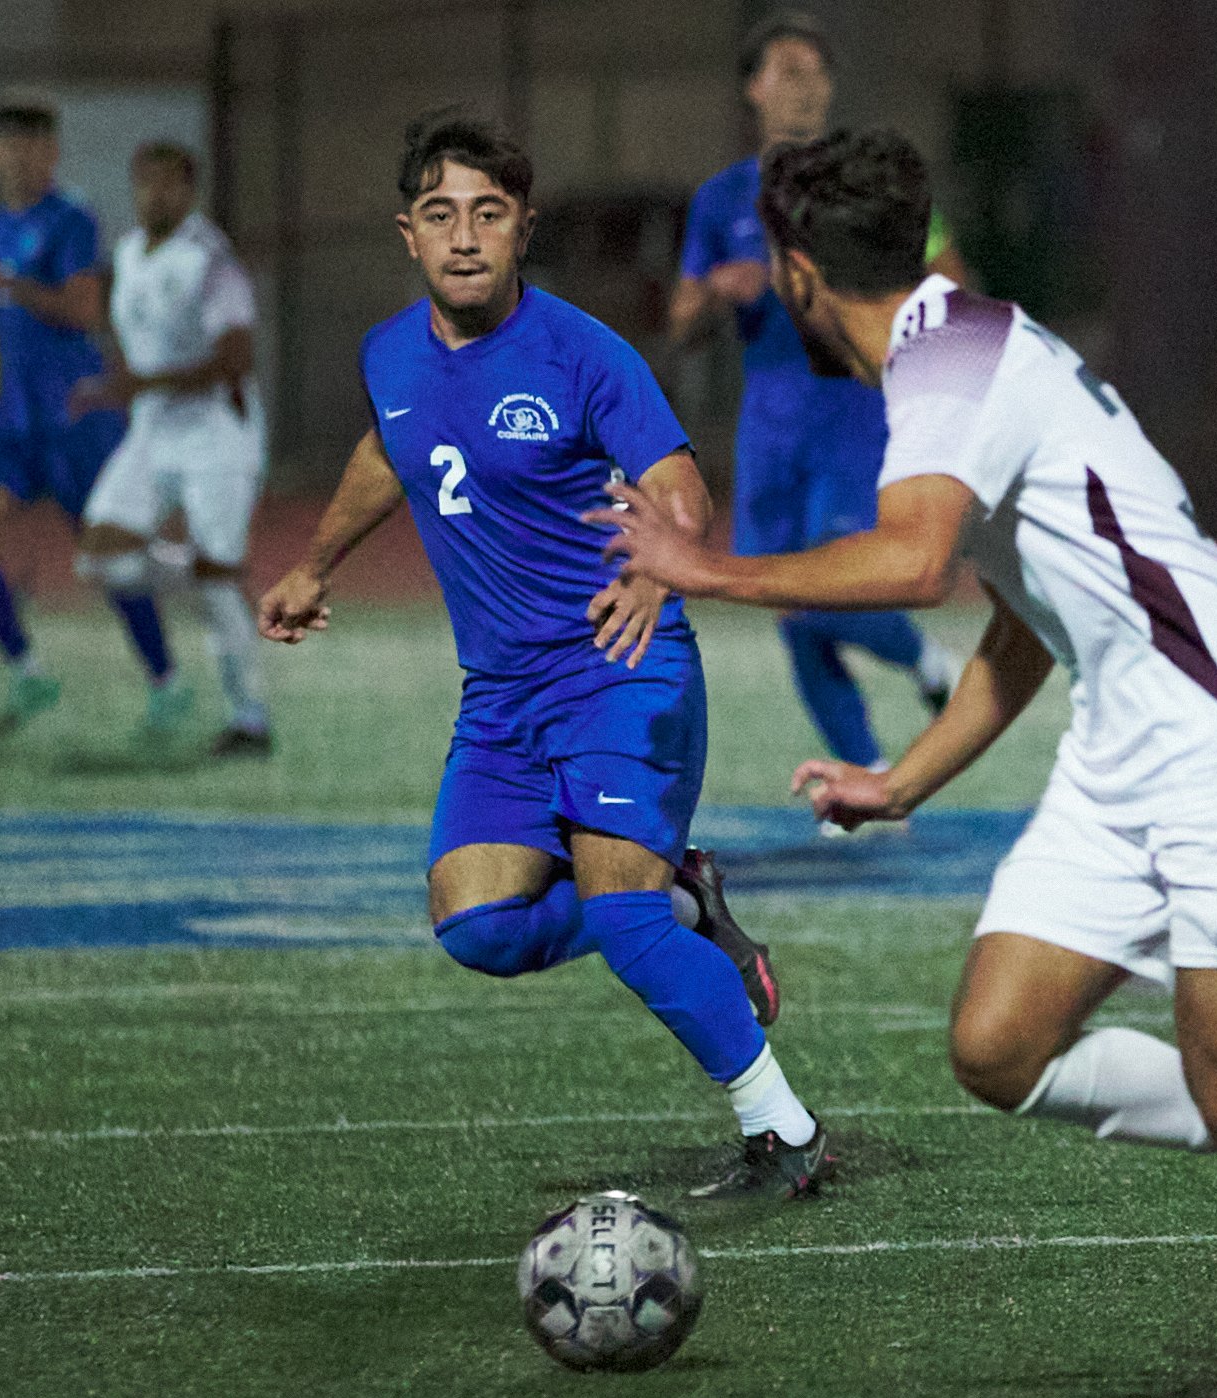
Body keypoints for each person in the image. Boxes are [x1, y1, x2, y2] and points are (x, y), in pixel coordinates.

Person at [595, 128, 1217, 1398]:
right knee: (1002, 1046)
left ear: (800, 273)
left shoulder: (946, 372)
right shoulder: (961, 340)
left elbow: (912, 562)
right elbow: (1015, 616)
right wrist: (908, 778)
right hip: (1126, 753)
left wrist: (702, 566)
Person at [257, 111, 832, 1200]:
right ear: (407, 235)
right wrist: (316, 563)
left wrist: (660, 567)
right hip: (503, 694)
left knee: (613, 917)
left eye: (487, 214)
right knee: (477, 925)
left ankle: (788, 1135)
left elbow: (681, 489)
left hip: (620, 664)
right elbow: (393, 449)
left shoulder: (583, 353)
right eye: (440, 216)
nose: (463, 237)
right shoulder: (390, 353)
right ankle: (683, 897)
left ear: (523, 227)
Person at [670, 11, 963, 794]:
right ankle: (865, 770)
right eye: (785, 71)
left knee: (830, 584)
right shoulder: (721, 199)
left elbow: (953, 282)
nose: (802, 87)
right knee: (791, 605)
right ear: (751, 90)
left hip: (854, 413)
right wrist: (713, 294)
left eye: (814, 72)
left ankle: (926, 659)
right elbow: (679, 322)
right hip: (769, 421)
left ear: (831, 87)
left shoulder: (866, 187)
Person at [0, 96, 151, 740]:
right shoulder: (2, 223)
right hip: (17, 418)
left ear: (52, 152)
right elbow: (1, 303)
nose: (16, 156)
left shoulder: (73, 221)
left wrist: (2, 280)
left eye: (30, 145)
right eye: (6, 145)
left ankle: (166, 681)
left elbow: (80, 310)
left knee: (112, 562)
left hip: (74, 417)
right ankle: (28, 671)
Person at [70, 141, 272, 757]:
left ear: (190, 192)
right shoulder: (129, 252)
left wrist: (139, 383)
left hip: (218, 433)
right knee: (101, 557)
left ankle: (250, 720)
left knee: (215, 589)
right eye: (145, 183)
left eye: (168, 184)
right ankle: (207, 571)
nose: (155, 194)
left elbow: (238, 359)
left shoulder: (210, 261)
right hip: (153, 430)